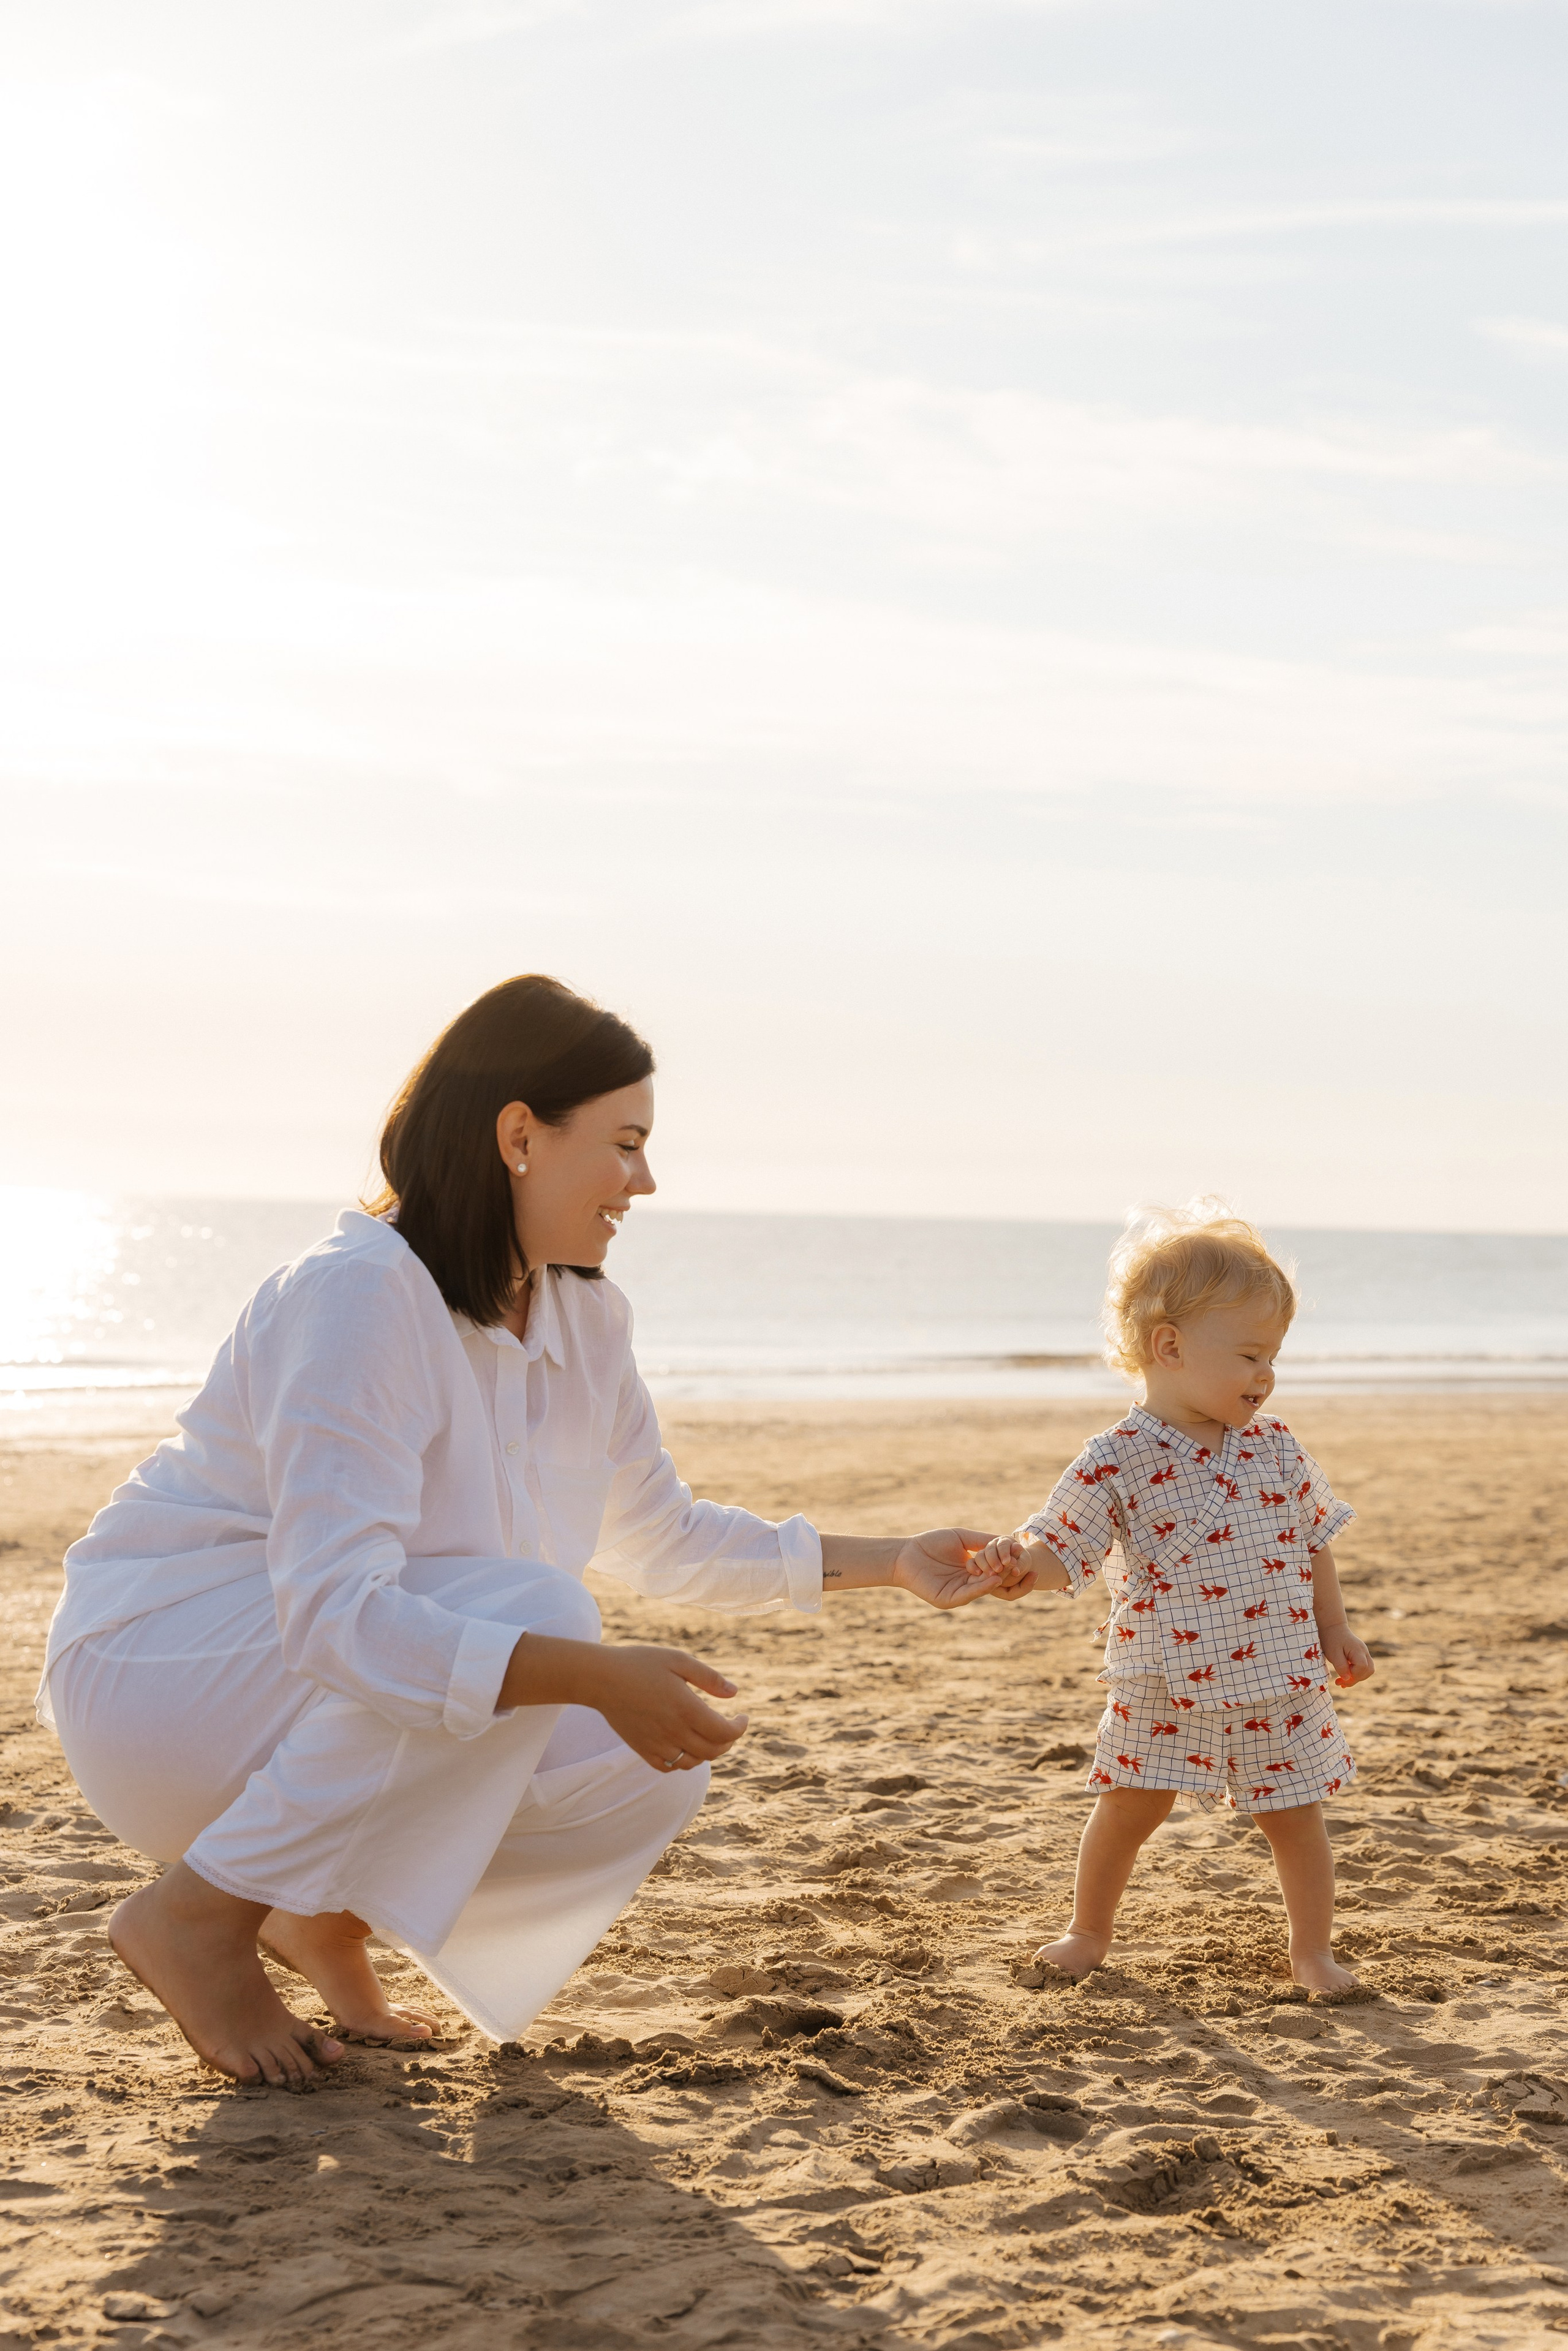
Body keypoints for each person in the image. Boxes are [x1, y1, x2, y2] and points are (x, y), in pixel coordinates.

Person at [40, 975, 1006, 2088]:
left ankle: (317, 1915)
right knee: (544, 1620)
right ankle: (200, 1916)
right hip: (162, 1677)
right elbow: (336, 1613)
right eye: (626, 1142)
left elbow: (663, 1531)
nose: (646, 1180)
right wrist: (588, 1668)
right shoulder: (360, 1290)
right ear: (518, 1137)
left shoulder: (586, 1314)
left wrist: (892, 1563)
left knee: (646, 1763)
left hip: (296, 1696)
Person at [973, 1201, 1374, 1994]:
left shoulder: (1276, 1446)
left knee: (1295, 1818)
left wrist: (1335, 1628)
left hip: (1277, 1668)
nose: (1267, 1376)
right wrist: (1021, 1564)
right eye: (1252, 1355)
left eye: (1275, 1358)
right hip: (1164, 1676)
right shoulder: (1115, 1457)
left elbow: (1312, 1539)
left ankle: (1313, 1953)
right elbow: (1067, 1546)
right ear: (1170, 1346)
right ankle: (1088, 1931)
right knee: (1129, 1807)